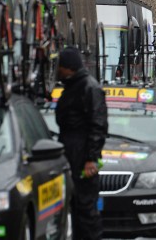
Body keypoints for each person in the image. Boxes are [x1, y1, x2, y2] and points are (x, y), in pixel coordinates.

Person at [55, 47, 108, 240]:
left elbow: (98, 125)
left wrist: (91, 159)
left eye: (60, 66)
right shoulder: (74, 86)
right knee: (76, 210)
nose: (57, 70)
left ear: (68, 67)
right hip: (71, 154)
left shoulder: (89, 88)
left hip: (81, 157)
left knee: (86, 211)